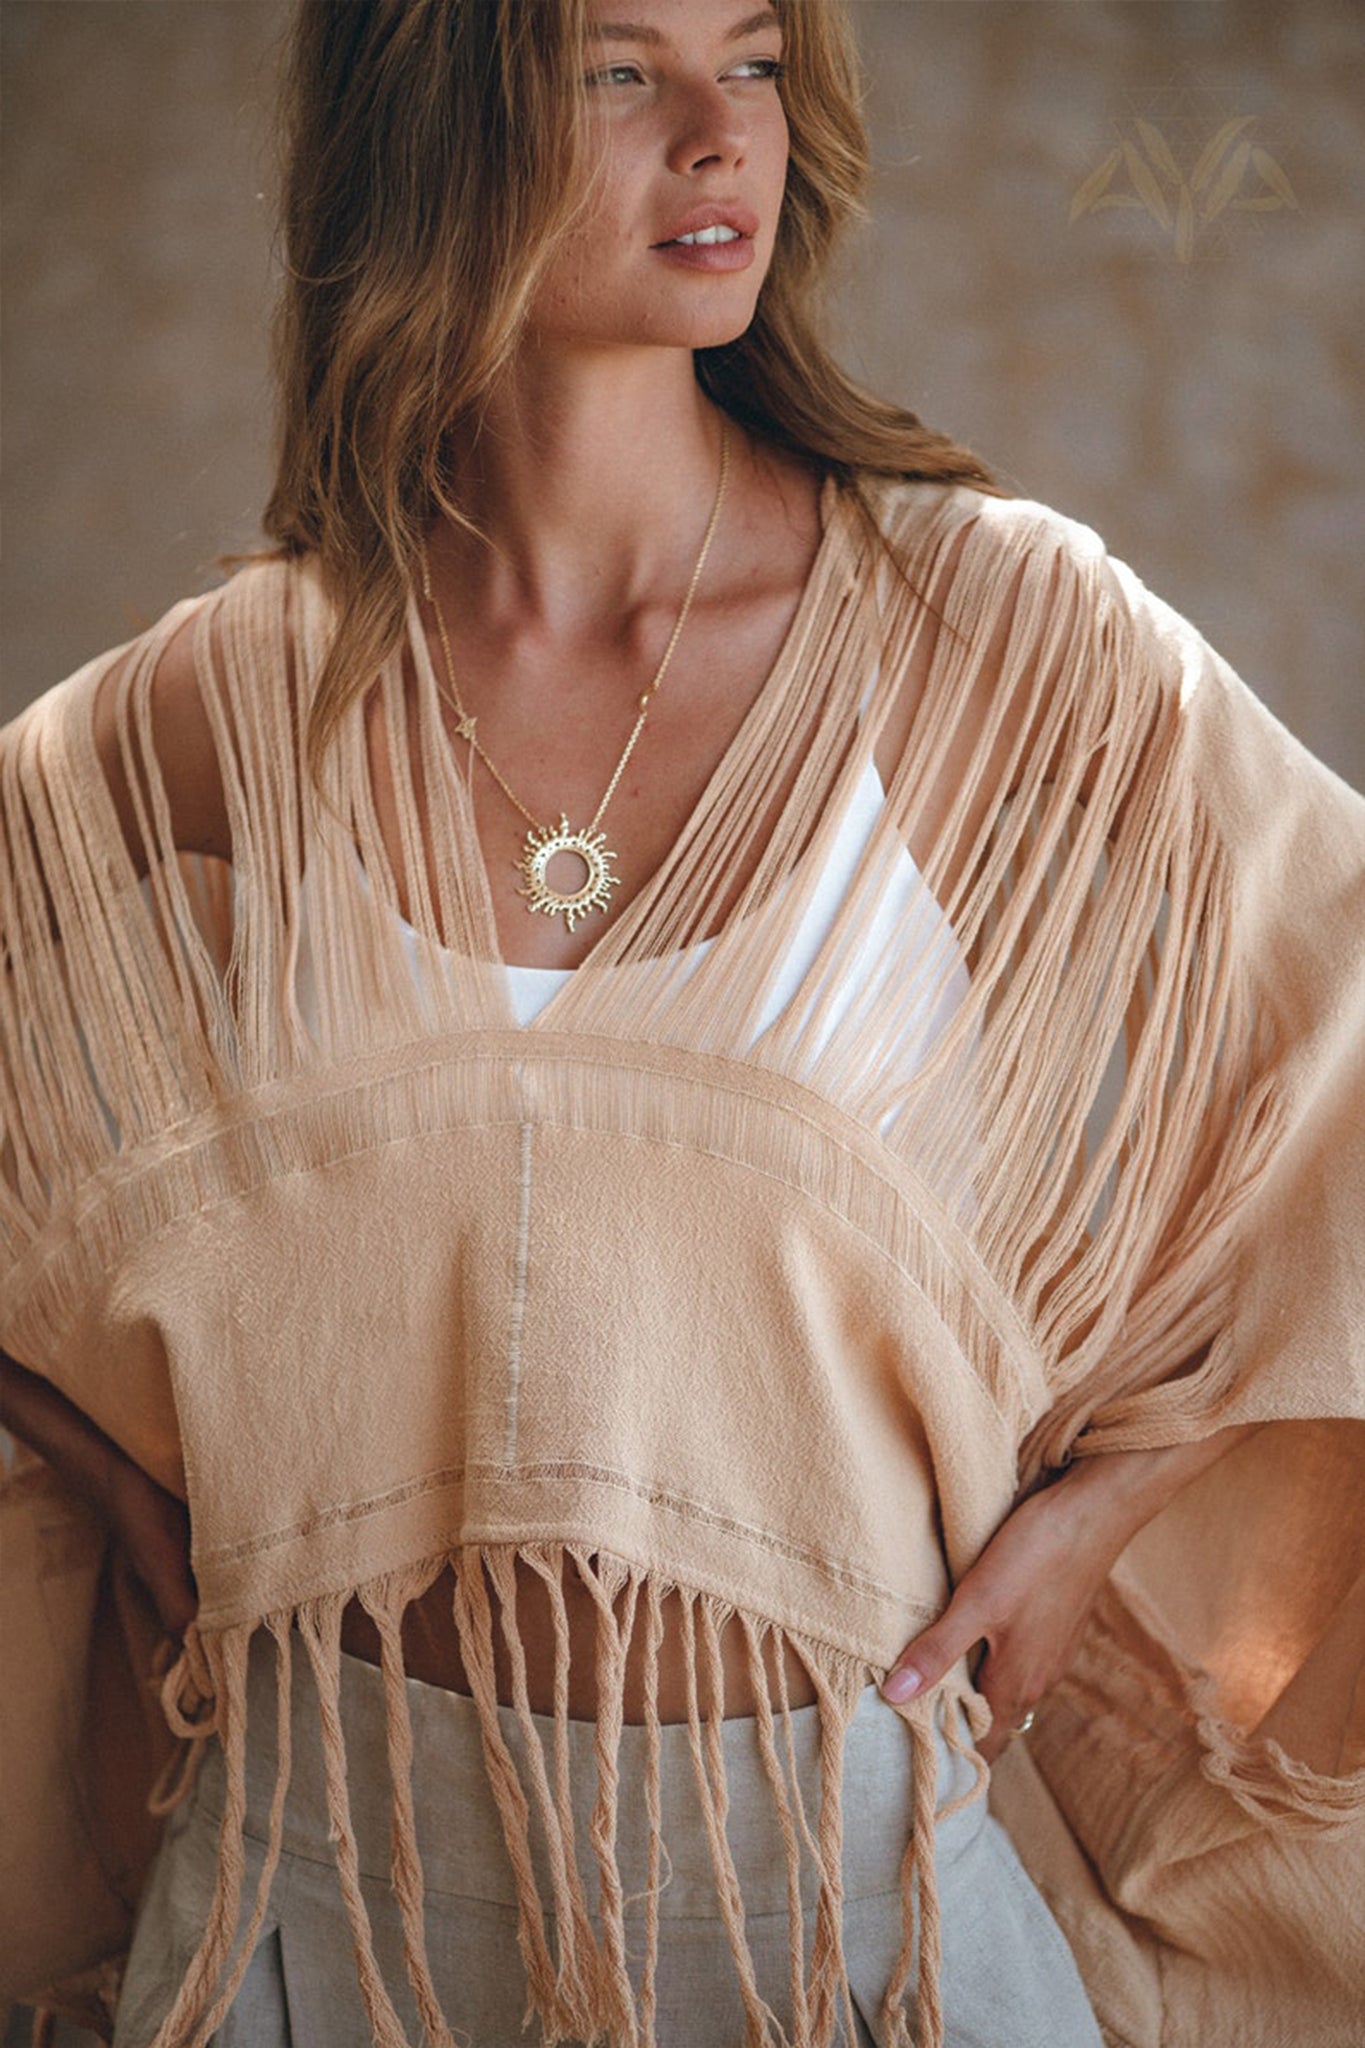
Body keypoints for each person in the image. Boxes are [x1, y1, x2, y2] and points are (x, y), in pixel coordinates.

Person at [1, 2, 1362, 2045]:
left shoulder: (981, 636)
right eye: (620, 71)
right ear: (435, 123)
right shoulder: (220, 710)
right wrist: (102, 1473)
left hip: (845, 1894)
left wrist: (1110, 1500)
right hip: (318, 1897)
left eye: (752, 60)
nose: (725, 136)